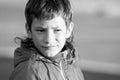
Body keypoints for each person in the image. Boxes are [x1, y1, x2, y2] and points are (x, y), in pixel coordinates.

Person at [9, 0, 84, 80]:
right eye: (41, 30)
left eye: (57, 30)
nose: (49, 39)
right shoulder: (28, 72)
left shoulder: (71, 63)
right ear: (29, 30)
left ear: (69, 30)